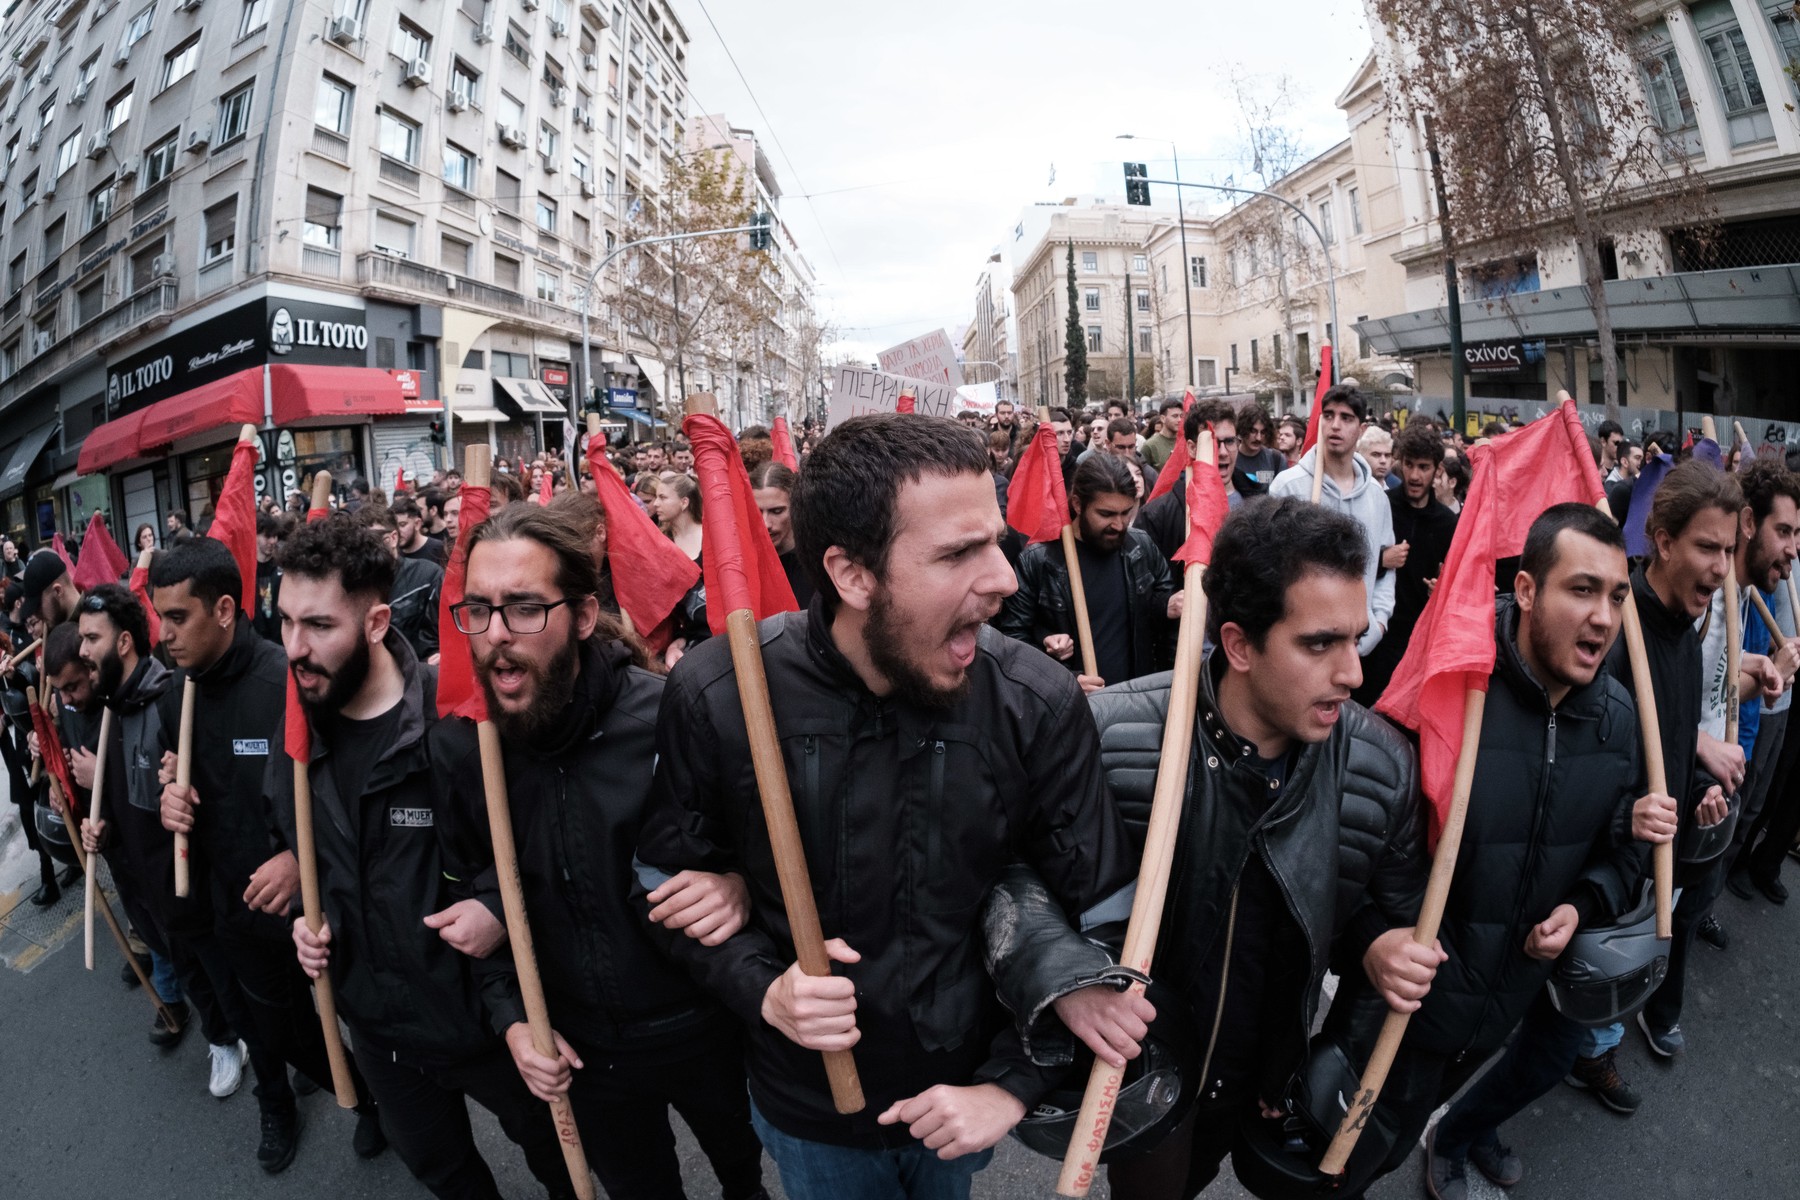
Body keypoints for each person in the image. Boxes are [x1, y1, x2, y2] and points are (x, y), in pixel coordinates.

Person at [635, 412, 1139, 1200]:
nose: (1005, 579)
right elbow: (662, 879)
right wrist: (760, 984)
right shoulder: (723, 692)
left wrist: (1008, 1086)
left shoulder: (1034, 702)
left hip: (960, 1097)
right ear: (852, 574)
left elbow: (1103, 915)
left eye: (995, 542)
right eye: (957, 553)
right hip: (807, 1107)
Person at [988, 496, 1433, 1199]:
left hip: (1270, 1081)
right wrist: (1069, 980)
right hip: (1146, 1078)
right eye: (1320, 644)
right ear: (1239, 645)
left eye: (1355, 638)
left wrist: (1373, 954)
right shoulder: (1108, 737)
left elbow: (1391, 919)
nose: (1352, 673)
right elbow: (1015, 876)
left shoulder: (1383, 769)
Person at [431, 504, 766, 1200]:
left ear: (583, 615)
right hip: (585, 1051)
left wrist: (736, 883)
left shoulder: (669, 717)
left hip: (702, 1028)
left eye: (524, 609)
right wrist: (514, 1021)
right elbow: (473, 893)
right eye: (479, 610)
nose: (495, 637)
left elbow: (767, 851)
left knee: (743, 1168)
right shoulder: (473, 751)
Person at [271, 515, 577, 1200]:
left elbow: (550, 845)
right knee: (441, 1169)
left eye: (319, 626)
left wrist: (499, 909)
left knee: (560, 1160)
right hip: (378, 1027)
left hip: (486, 1021)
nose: (294, 648)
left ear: (378, 622)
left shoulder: (461, 721)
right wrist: (304, 915)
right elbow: (304, 850)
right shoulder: (297, 727)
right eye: (285, 622)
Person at [1417, 505, 1671, 1200]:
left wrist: (1581, 901)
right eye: (1581, 590)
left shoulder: (1618, 718)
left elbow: (1618, 851)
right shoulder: (1460, 687)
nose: (1604, 617)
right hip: (1436, 989)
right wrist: (1387, 943)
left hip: (1538, 977)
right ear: (1526, 590)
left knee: (1538, 1064)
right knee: (1372, 1141)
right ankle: (1439, 1130)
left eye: (1617, 595)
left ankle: (1465, 1128)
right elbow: (1388, 849)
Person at [151, 540, 383, 1170]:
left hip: (318, 896)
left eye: (178, 617)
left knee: (359, 1010)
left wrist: (295, 860)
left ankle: (385, 1098)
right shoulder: (178, 695)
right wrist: (173, 800)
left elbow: (344, 791)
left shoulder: (291, 679)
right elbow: (181, 783)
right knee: (277, 1027)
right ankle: (331, 1098)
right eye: (159, 617)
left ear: (224, 609)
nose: (164, 635)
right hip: (236, 903)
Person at [998, 454, 1178, 693]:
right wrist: (1064, 678)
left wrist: (1166, 605)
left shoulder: (1141, 547)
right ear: (1078, 504)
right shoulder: (1039, 561)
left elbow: (1161, 619)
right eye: (1106, 514)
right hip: (1073, 710)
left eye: (1126, 512)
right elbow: (1011, 642)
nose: (1119, 524)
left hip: (1137, 701)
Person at [1271, 386, 1396, 660]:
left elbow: (1386, 568)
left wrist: (1379, 623)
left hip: (1360, 647)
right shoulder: (1288, 488)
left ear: (1361, 429)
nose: (1335, 425)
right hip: (1304, 649)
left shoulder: (1377, 496)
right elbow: (1270, 566)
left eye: (1346, 418)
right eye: (1328, 416)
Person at [1356, 423, 1458, 706]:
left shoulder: (1448, 524)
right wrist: (1380, 561)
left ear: (1438, 470)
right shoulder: (1378, 505)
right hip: (1375, 639)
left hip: (1420, 646)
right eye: (1409, 465)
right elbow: (1348, 566)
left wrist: (1442, 590)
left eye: (1423, 467)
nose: (1414, 475)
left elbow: (1456, 588)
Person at [1135, 399, 1264, 565]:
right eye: (1213, 442)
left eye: (1230, 441)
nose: (1223, 452)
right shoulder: (1157, 516)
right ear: (1192, 448)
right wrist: (1169, 592)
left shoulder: (1260, 502)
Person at [351, 503, 442, 662]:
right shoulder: (354, 585)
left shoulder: (427, 576)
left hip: (420, 674)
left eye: (371, 541)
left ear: (393, 538)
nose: (365, 551)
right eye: (358, 544)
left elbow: (435, 636)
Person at [749, 461, 814, 608]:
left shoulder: (816, 563)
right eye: (758, 512)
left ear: (795, 507)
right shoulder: (747, 562)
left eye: (777, 511)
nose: (766, 523)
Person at [19, 549, 81, 631]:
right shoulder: (56, 630)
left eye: (38, 606)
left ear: (57, 591)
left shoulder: (94, 625)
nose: (37, 615)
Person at [251, 512, 289, 645]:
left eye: (275, 536)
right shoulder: (247, 572)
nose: (273, 541)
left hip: (282, 642)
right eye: (267, 536)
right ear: (254, 536)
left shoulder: (283, 568)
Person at [1235, 401, 1286, 489]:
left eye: (1263, 432)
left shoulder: (1276, 459)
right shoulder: (1230, 459)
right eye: (1253, 431)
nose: (1258, 438)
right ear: (1242, 429)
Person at [393, 496, 449, 568]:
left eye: (402, 525)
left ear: (417, 524)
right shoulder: (394, 555)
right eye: (394, 526)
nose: (397, 531)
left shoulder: (439, 550)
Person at [1141, 397, 1183, 470]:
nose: (1179, 420)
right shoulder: (1149, 446)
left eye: (1181, 416)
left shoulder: (1186, 442)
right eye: (1175, 416)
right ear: (1163, 418)